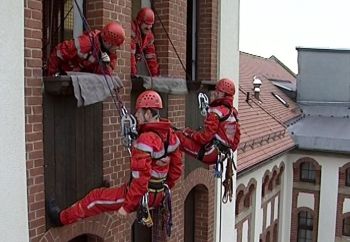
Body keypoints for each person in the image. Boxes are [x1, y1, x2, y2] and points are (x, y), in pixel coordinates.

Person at [47, 90, 183, 226]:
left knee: (95, 199)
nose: (136, 115)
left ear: (147, 114)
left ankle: (60, 219)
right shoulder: (170, 135)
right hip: (157, 194)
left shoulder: (146, 140)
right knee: (103, 194)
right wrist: (162, 190)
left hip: (140, 196)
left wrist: (127, 206)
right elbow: (176, 170)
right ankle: (104, 192)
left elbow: (141, 178)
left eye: (139, 112)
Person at [176, 78, 241, 165]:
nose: (215, 93)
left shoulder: (216, 112)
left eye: (217, 91)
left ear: (223, 94)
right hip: (222, 154)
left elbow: (205, 138)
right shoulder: (233, 113)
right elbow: (236, 138)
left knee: (176, 137)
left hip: (210, 153)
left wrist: (190, 134)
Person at [47, 21, 125, 76]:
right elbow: (58, 52)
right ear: (108, 42)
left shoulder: (110, 55)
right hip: (64, 74)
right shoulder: (85, 43)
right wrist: (53, 75)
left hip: (77, 78)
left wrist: (105, 65)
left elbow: (106, 75)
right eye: (116, 45)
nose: (118, 48)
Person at [131, 7, 160, 76]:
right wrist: (133, 75)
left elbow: (151, 58)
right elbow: (130, 56)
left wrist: (156, 78)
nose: (149, 27)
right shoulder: (132, 30)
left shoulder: (149, 36)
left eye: (151, 24)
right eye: (146, 24)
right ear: (139, 21)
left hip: (135, 61)